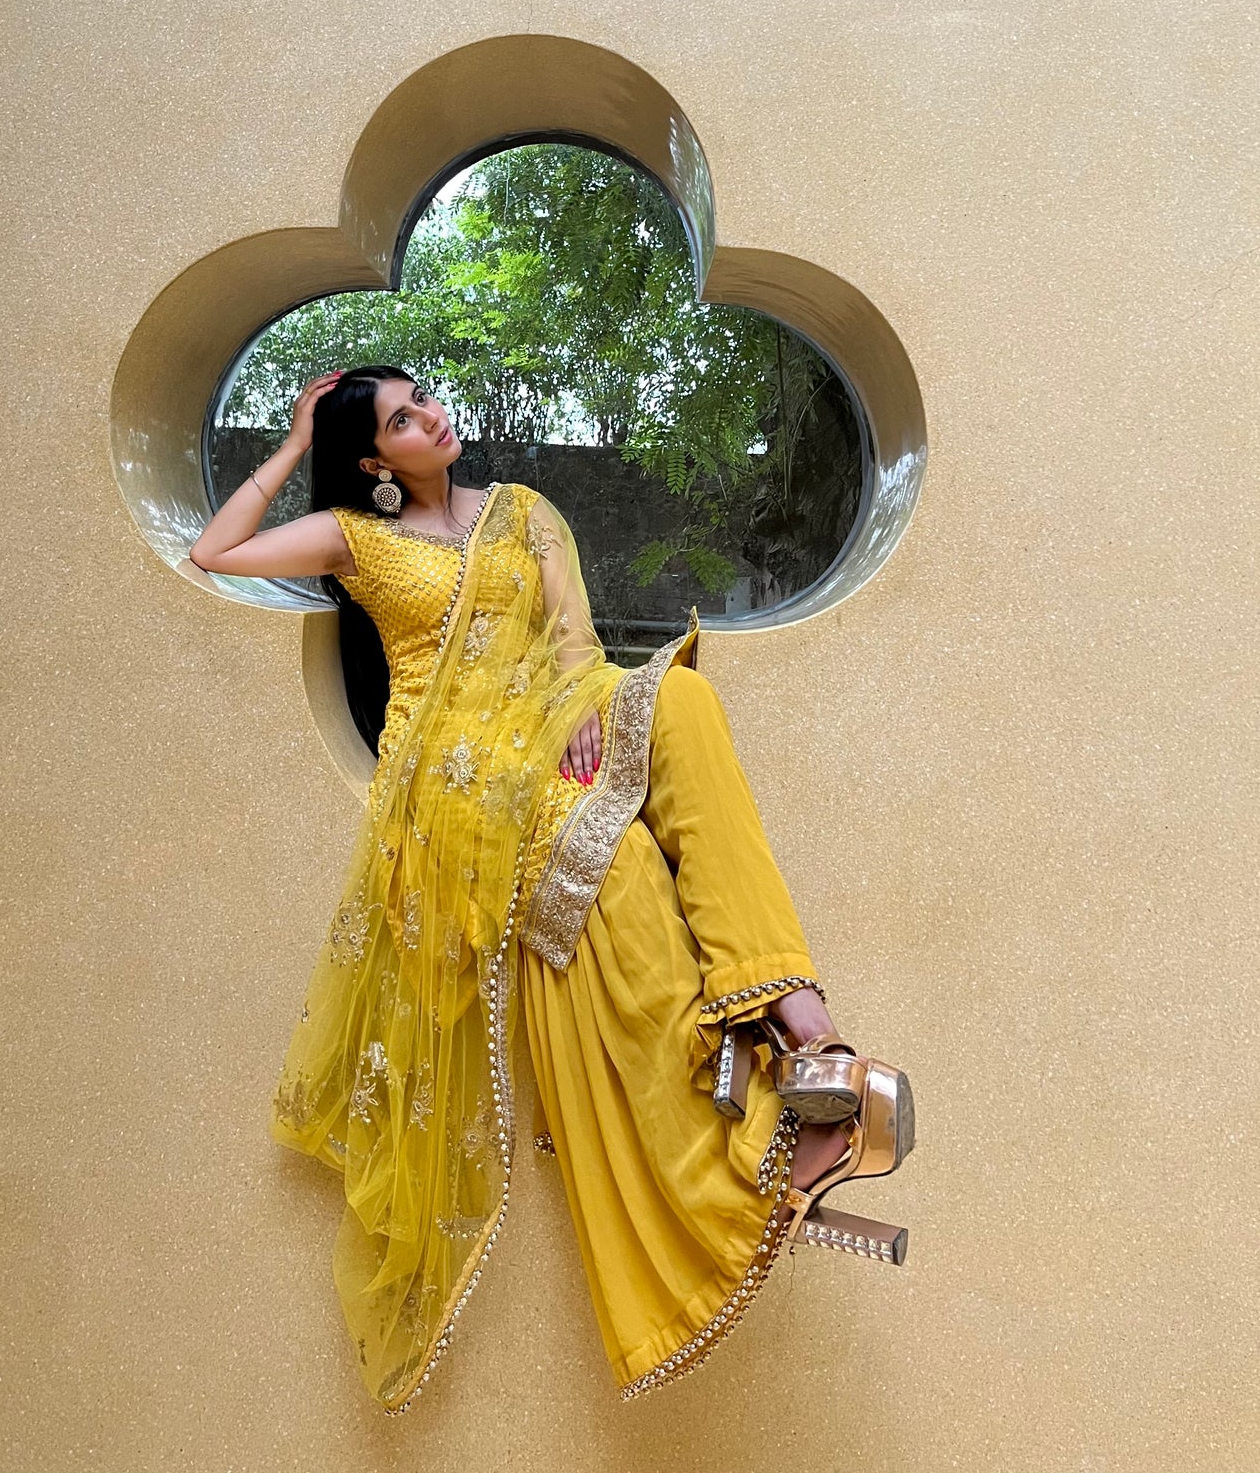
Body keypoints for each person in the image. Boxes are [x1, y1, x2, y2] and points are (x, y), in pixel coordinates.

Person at [189, 364, 915, 1414]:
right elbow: (216, 553)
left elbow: (574, 640)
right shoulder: (355, 538)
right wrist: (298, 442)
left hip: (555, 727)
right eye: (401, 419)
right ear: (373, 458)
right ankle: (763, 1142)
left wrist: (585, 705)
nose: (431, 415)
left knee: (687, 707)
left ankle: (808, 1030)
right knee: (621, 877)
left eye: (425, 397)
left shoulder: (524, 511)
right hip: (459, 789)